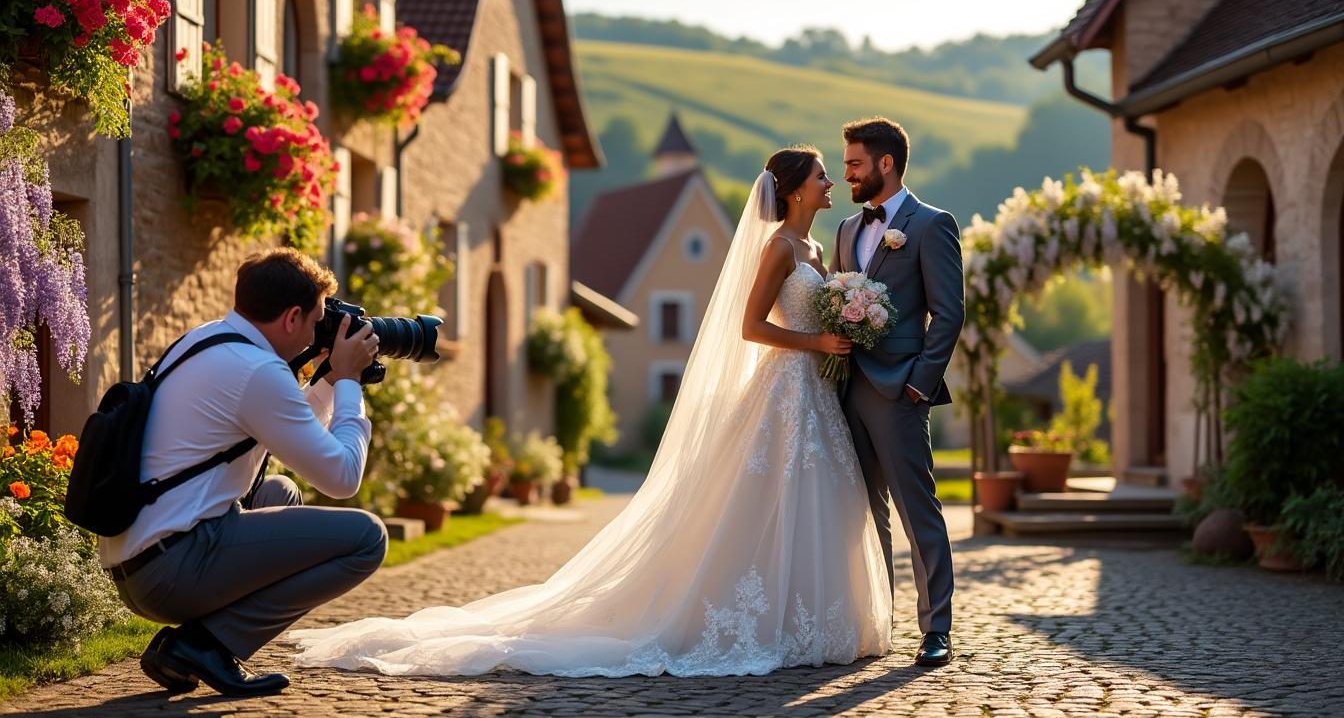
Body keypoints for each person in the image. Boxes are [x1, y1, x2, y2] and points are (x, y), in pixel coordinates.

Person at [286, 148, 892, 677]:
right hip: (783, 388)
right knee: (759, 500)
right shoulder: (779, 248)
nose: (829, 182)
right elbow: (750, 326)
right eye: (820, 175)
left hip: (814, 392)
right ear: (791, 190)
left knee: (808, 498)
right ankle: (758, 621)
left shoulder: (815, 244)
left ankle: (808, 619)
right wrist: (817, 343)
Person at [99, 248, 388, 696]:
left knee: (278, 491)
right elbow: (343, 477)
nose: (317, 333)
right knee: (368, 538)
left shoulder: (208, 340)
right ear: (292, 318)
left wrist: (329, 380)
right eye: (315, 322)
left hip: (138, 563)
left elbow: (283, 427)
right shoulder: (258, 370)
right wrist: (350, 380)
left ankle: (191, 645)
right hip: (169, 572)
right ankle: (205, 644)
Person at [830, 117, 965, 667]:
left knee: (918, 510)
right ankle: (878, 621)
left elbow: (949, 314)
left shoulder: (931, 226)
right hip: (845, 389)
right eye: (844, 166)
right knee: (865, 513)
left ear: (886, 164)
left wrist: (918, 385)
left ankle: (936, 630)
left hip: (900, 390)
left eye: (855, 164)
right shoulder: (843, 229)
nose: (847, 175)